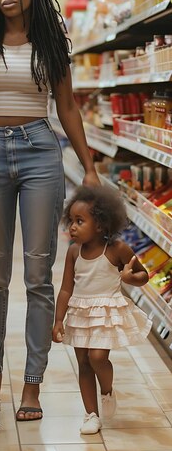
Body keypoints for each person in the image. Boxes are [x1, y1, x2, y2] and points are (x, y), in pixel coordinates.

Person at [0, 0, 100, 422]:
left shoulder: (51, 40)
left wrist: (89, 167)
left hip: (40, 151)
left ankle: (31, 385)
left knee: (39, 276)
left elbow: (68, 106)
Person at [53, 185, 152, 434]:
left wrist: (130, 278)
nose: (72, 227)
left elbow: (143, 274)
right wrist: (58, 320)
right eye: (71, 220)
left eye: (79, 221)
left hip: (105, 312)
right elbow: (66, 289)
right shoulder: (74, 252)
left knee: (97, 357)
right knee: (83, 363)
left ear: (100, 224)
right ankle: (91, 415)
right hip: (80, 313)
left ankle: (107, 390)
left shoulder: (117, 249)